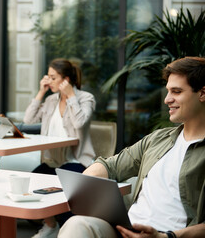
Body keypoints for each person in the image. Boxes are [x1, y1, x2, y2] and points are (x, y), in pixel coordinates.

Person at [58, 57, 205, 238]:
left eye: (176, 91)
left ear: (202, 93)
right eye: (168, 91)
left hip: (169, 235)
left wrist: (165, 237)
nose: (167, 99)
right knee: (77, 224)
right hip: (126, 229)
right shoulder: (159, 139)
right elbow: (110, 166)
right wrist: (84, 185)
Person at [24, 58, 96, 238]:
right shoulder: (50, 100)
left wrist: (71, 97)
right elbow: (29, 120)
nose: (48, 80)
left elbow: (80, 123)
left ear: (66, 80)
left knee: (62, 188)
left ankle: (68, 232)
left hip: (75, 160)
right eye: (47, 76)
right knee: (31, 182)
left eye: (53, 77)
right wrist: (41, 92)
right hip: (52, 161)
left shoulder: (86, 98)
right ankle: (51, 226)